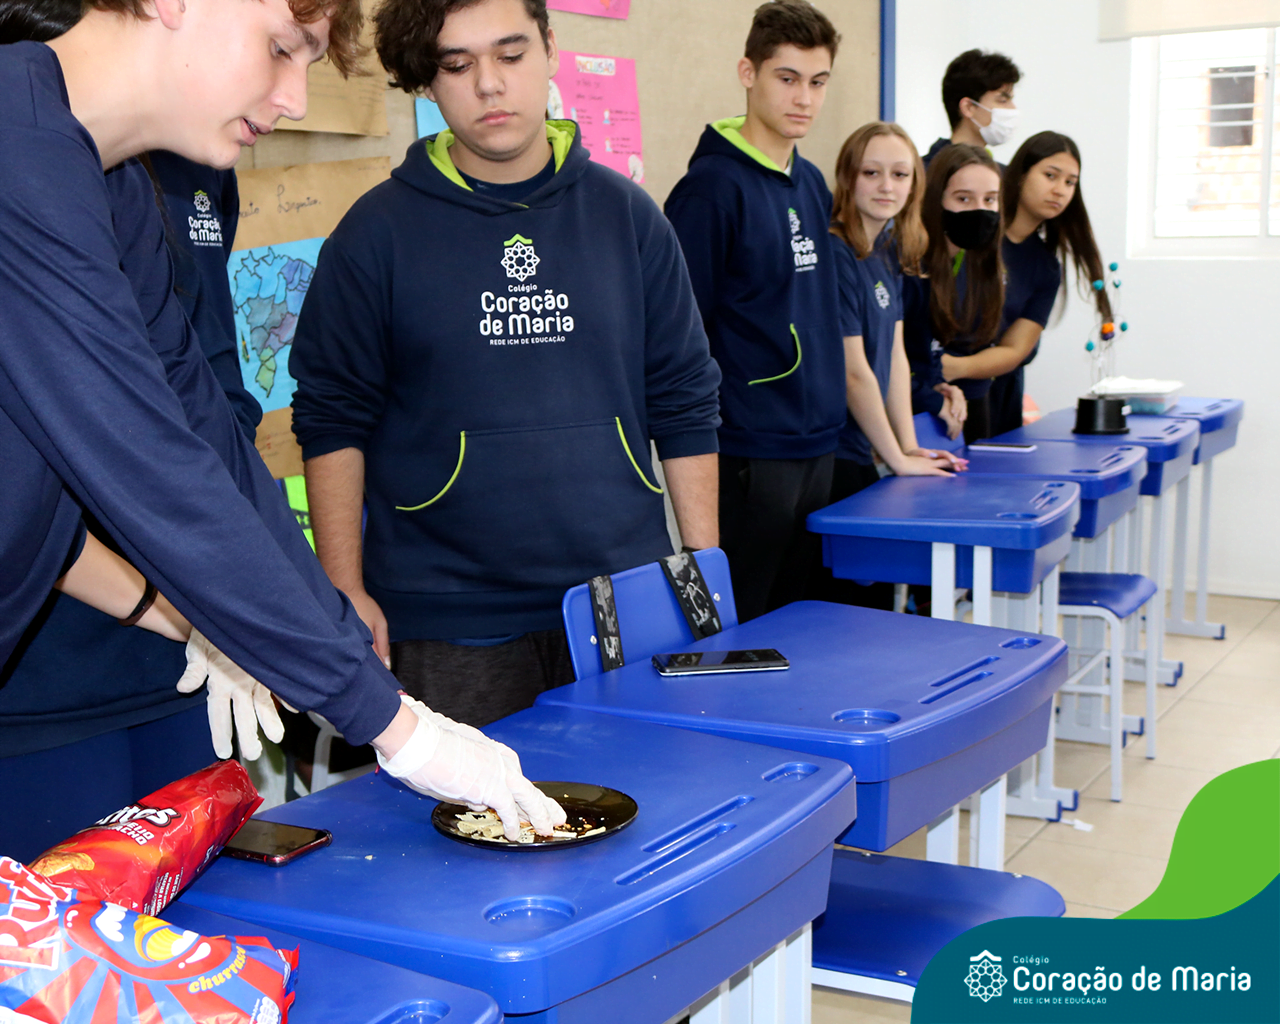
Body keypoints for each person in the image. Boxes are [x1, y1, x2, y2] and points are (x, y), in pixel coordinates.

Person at [0, 0, 562, 846]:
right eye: (279, 49)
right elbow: (145, 460)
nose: (294, 98)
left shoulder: (112, 184)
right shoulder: (17, 148)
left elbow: (205, 430)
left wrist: (360, 666)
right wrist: (395, 731)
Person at [290, 0, 721, 726]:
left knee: (638, 794)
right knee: (471, 804)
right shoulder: (375, 234)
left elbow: (684, 397)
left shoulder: (629, 216)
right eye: (457, 65)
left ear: (550, 48)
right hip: (449, 619)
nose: (489, 84)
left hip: (625, 599)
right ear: (428, 80)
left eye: (511, 54)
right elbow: (332, 417)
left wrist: (703, 571)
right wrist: (345, 589)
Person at [665, 0, 844, 622]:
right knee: (739, 626)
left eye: (817, 81)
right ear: (749, 73)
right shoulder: (711, 189)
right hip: (749, 445)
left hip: (817, 441)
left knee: (801, 624)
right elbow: (681, 332)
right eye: (787, 78)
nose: (804, 98)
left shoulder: (812, 181)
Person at [943, 131, 1112, 436]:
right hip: (934, 391)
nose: (1059, 190)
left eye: (1070, 182)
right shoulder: (972, 233)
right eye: (1050, 175)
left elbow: (1015, 349)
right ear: (1020, 175)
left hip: (994, 394)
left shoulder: (1045, 267)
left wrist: (955, 367)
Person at [902, 144, 1005, 442]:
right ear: (936, 200)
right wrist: (931, 397)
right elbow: (889, 360)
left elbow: (927, 349)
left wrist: (939, 385)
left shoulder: (966, 260)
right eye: (963, 198)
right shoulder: (910, 265)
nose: (979, 210)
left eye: (990, 199)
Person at [923, 49, 1022, 169]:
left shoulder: (1003, 175)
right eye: (1003, 100)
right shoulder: (924, 172)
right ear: (968, 107)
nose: (1013, 108)